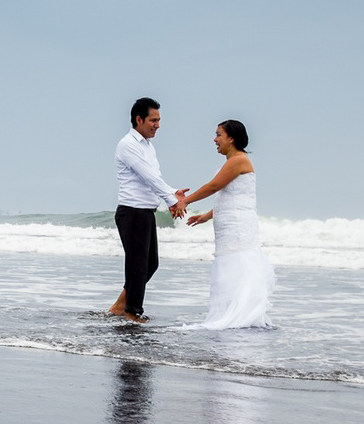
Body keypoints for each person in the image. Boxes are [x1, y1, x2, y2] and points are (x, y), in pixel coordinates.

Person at [171, 120, 275, 329]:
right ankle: (232, 313)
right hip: (229, 225)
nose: (215, 139)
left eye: (219, 135)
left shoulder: (238, 160)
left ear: (232, 138)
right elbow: (231, 197)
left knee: (238, 267)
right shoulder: (231, 162)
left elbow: (214, 186)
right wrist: (207, 216)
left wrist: (184, 201)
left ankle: (241, 316)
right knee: (229, 269)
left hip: (238, 226)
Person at [109, 97, 180, 322]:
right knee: (138, 264)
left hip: (145, 212)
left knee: (151, 264)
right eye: (153, 120)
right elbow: (147, 177)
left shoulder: (148, 147)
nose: (157, 125)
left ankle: (121, 305)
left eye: (158, 120)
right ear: (138, 119)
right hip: (132, 211)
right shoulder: (128, 145)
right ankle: (132, 311)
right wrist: (171, 200)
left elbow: (155, 178)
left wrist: (173, 192)